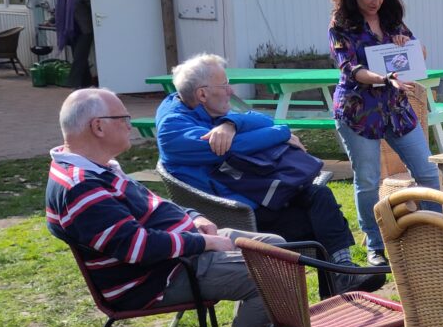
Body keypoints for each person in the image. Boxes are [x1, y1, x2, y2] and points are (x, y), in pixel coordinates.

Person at [46, 89, 294, 327]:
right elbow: (136, 247)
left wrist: (196, 217)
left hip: (173, 258)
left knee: (277, 247)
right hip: (152, 279)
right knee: (270, 274)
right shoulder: (81, 185)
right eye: (124, 119)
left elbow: (153, 203)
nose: (130, 125)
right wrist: (203, 242)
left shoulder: (98, 167)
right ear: (98, 127)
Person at [155, 53, 382, 294]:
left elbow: (260, 119)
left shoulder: (197, 107)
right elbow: (241, 144)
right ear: (202, 94)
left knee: (319, 195)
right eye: (225, 85)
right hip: (236, 214)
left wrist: (230, 124)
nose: (231, 91)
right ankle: (340, 278)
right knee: (319, 219)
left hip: (259, 192)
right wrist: (282, 133)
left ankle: (342, 272)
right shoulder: (173, 129)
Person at [328, 0, 441, 266]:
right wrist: (383, 77)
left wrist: (407, 45)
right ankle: (375, 246)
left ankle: (437, 234)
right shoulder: (340, 25)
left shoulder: (392, 19)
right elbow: (350, 69)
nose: (375, 1)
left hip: (395, 108)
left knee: (427, 170)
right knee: (367, 179)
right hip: (358, 111)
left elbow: (420, 55)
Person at [53, 0, 94, 88]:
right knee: (81, 59)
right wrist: (52, 20)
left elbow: (93, 8)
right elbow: (61, 11)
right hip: (70, 32)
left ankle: (74, 86)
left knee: (78, 59)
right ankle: (87, 86)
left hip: (84, 31)